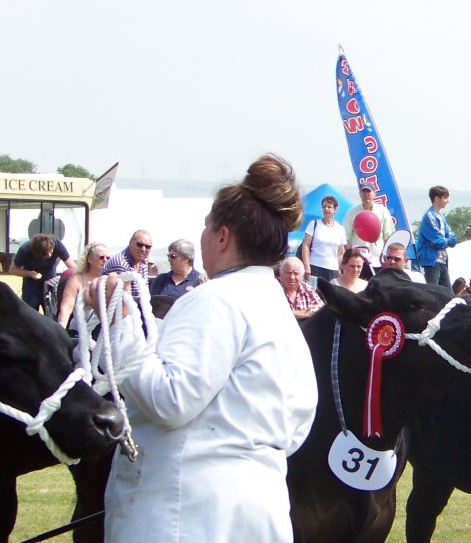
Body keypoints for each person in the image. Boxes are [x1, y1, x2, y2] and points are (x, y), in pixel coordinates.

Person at [101, 153, 319, 542]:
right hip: (257, 509)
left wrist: (121, 323)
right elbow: (298, 425)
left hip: (191, 513)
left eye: (206, 229)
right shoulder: (275, 307)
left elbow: (170, 398)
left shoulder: (217, 299)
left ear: (222, 236)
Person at [10, 234, 74, 313]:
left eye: (51, 252)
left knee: (51, 315)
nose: (50, 255)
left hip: (50, 284)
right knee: (30, 316)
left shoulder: (57, 244)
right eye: (46, 254)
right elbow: (13, 269)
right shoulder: (25, 249)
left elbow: (72, 267)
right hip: (31, 286)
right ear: (37, 253)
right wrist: (29, 273)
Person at [412, 185, 458, 290]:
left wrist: (444, 241)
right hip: (432, 262)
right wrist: (444, 241)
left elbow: (453, 239)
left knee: (448, 294)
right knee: (433, 292)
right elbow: (439, 242)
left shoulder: (441, 217)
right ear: (437, 198)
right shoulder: (429, 216)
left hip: (442, 261)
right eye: (445, 198)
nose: (448, 201)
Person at [56, 243, 111, 329]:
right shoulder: (76, 279)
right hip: (79, 331)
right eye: (101, 257)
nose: (105, 260)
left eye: (108, 258)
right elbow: (66, 309)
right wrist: (60, 330)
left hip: (103, 330)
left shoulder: (109, 279)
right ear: (89, 259)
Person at [343, 185, 395, 273]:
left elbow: (388, 236)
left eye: (369, 192)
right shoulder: (352, 212)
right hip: (358, 262)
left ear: (374, 194)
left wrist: (386, 258)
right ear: (360, 194)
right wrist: (351, 256)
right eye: (364, 192)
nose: (366, 194)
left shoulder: (383, 211)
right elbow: (344, 237)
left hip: (378, 261)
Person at [299, 195, 346, 282]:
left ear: (335, 209)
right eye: (324, 207)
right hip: (315, 266)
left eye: (329, 207)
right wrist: (307, 267)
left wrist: (340, 269)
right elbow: (306, 245)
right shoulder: (314, 224)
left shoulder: (340, 229)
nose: (326, 209)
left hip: (332, 269)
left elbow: (340, 252)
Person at [105, 230, 159, 298]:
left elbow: (143, 290)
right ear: (130, 243)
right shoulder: (121, 264)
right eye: (139, 244)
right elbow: (125, 298)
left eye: (148, 246)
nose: (143, 249)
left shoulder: (144, 260)